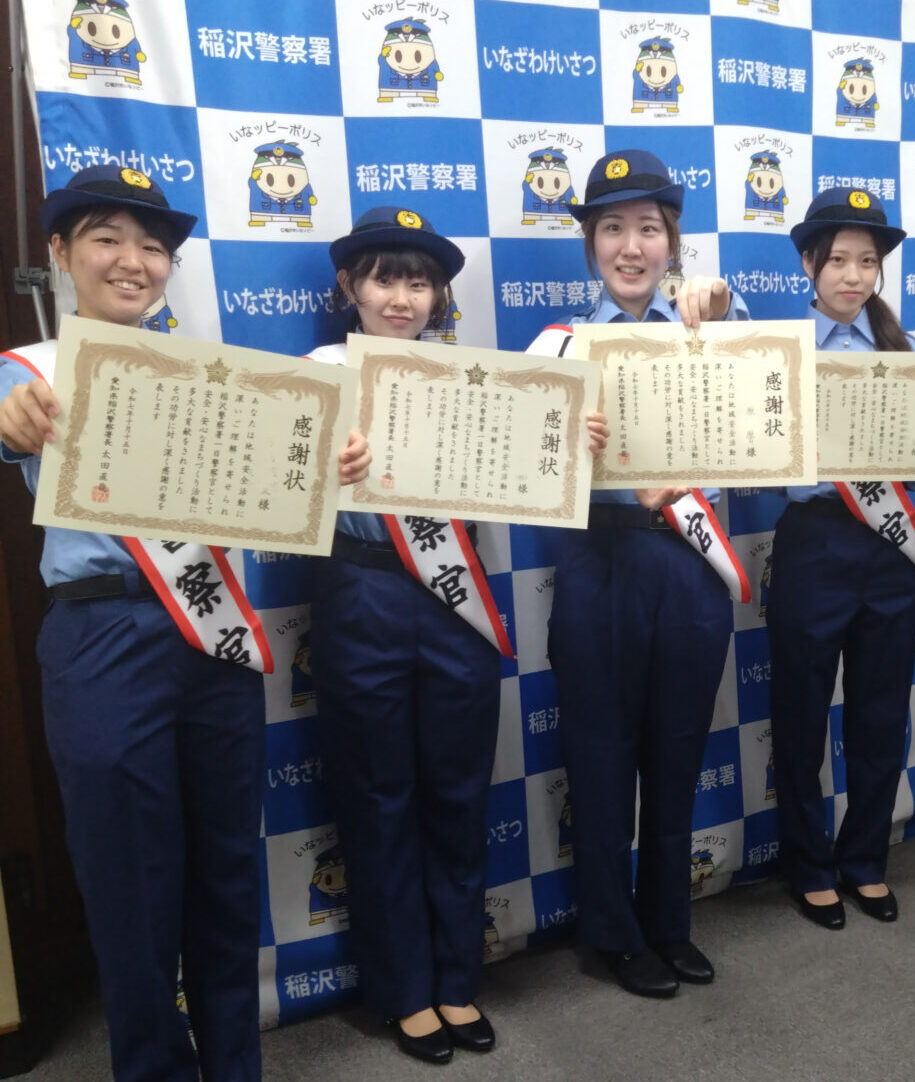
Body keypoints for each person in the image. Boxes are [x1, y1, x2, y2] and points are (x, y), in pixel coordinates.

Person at [0, 165, 368, 1082]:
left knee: (226, 877)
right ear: (60, 254)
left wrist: (333, 463)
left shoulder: (215, 375)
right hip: (102, 639)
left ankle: (234, 1066)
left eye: (152, 246)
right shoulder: (29, 373)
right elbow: (5, 421)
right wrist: (9, 425)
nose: (133, 261)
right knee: (129, 892)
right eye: (106, 240)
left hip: (212, 638)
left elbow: (283, 479)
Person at [305, 206, 604, 1063]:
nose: (401, 298)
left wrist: (572, 438)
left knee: (457, 793)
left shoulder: (475, 377)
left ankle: (456, 977)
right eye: (384, 279)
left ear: (440, 295)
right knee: (378, 798)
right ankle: (404, 989)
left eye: (420, 282)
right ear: (350, 287)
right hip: (362, 592)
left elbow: (531, 470)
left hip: (454, 598)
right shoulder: (321, 374)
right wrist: (328, 465)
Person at [527, 148, 747, 999]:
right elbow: (520, 478)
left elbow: (763, 418)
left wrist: (720, 312)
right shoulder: (559, 346)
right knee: (599, 756)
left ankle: (669, 923)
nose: (631, 246)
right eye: (612, 228)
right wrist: (562, 447)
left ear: (672, 243)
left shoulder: (712, 329)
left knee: (679, 752)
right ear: (590, 243)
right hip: (598, 562)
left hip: (688, 566)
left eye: (649, 229)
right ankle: (611, 934)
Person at [769, 187, 915, 930]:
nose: (853, 275)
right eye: (838, 260)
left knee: (881, 713)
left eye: (867, 261)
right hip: (813, 542)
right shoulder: (780, 352)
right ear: (809, 264)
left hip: (889, 549)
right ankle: (808, 865)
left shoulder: (906, 353)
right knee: (800, 717)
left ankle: (864, 860)